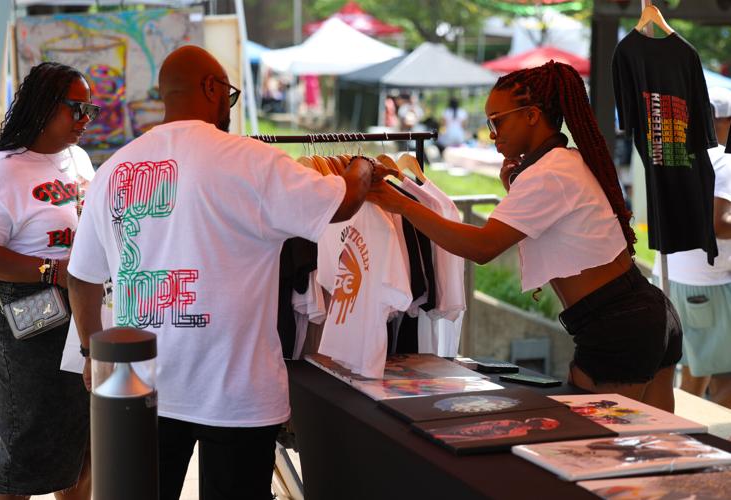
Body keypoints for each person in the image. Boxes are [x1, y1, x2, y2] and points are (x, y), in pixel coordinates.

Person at [66, 45, 390, 500]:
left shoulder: (113, 170)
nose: (229, 107)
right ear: (211, 88)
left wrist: (89, 351)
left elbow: (80, 277)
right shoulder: (251, 161)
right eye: (230, 95)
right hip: (237, 390)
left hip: (140, 384)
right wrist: (362, 168)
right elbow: (342, 202)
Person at [369, 61, 682, 412]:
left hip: (618, 325)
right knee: (660, 448)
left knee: (598, 446)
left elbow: (482, 247)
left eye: (497, 120)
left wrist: (404, 205)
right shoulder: (564, 162)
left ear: (532, 115)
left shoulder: (549, 173)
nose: (491, 133)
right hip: (645, 313)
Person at [0, 62, 97, 499]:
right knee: (26, 439)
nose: (85, 119)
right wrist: (52, 271)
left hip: (83, 311)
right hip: (27, 310)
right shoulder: (1, 169)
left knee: (81, 440)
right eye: (77, 108)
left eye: (90, 108)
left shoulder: (78, 158)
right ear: (44, 106)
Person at [653, 86, 731, 408]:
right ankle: (720, 453)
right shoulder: (724, 160)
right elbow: (717, 224)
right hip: (710, 286)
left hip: (671, 280)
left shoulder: (678, 155)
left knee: (694, 374)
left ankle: (686, 441)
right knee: (727, 378)